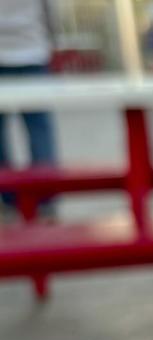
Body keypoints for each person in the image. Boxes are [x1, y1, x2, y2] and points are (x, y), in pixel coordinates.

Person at [0, 0, 58, 218]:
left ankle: (7, 198)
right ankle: (45, 199)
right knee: (39, 129)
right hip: (32, 48)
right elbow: (48, 9)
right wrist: (51, 40)